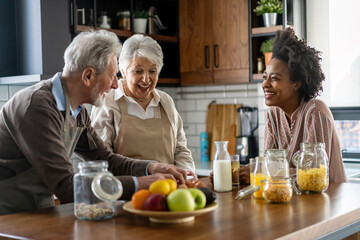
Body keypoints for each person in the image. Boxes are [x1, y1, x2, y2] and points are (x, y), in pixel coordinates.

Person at [0, 30, 191, 215]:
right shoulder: (36, 107)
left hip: (36, 212)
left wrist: (151, 167)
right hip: (8, 217)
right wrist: (137, 184)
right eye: (113, 75)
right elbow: (67, 187)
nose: (116, 84)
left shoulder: (77, 111)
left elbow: (104, 158)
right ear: (88, 76)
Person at [90, 34, 195, 173]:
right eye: (138, 71)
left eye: (152, 71)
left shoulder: (165, 101)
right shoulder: (108, 101)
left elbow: (180, 149)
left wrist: (187, 176)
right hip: (126, 191)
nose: (146, 79)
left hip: (167, 189)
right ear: (124, 72)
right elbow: (101, 160)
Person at [263, 28, 347, 182]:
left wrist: (263, 172)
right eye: (265, 77)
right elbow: (269, 164)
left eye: (274, 78)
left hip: (330, 201)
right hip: (293, 201)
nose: (265, 84)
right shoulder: (273, 114)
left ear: (296, 84)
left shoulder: (315, 112)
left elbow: (314, 174)